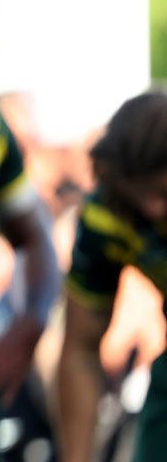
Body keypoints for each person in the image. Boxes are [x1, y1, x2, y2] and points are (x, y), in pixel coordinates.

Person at [58, 90, 167, 462]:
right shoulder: (106, 215)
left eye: (164, 192)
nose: (153, 209)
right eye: (139, 196)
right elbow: (80, 350)